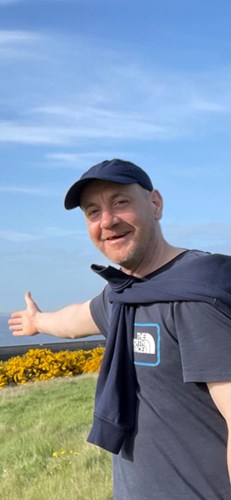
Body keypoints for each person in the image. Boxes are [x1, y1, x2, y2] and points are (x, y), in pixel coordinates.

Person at [9, 159, 231, 500]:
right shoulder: (124, 294)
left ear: (155, 204)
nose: (107, 221)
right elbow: (76, 319)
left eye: (120, 203)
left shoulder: (197, 294)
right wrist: (38, 321)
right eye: (93, 211)